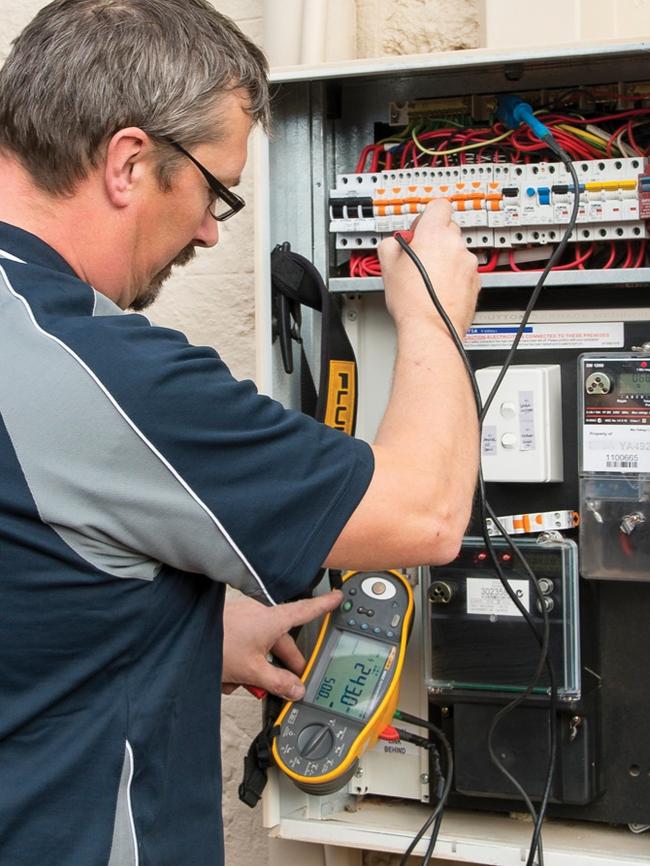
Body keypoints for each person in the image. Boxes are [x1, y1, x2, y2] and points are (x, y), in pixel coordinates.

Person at [0, 1, 480, 864]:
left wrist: (159, 631)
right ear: (130, 161)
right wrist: (436, 313)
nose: (214, 228)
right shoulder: (96, 368)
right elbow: (428, 512)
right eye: (216, 189)